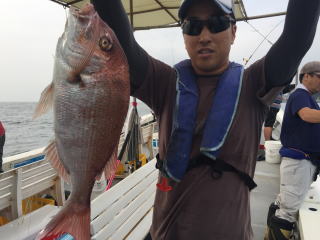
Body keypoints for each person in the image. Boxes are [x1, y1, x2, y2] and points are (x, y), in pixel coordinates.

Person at [91, 0, 320, 239]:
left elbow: (296, 38)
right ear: (184, 36)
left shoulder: (254, 84)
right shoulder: (164, 83)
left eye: (217, 23)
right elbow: (123, 43)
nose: (204, 36)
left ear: (233, 32)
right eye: (193, 26)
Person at [265, 61, 320, 240]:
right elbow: (307, 115)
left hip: (299, 163)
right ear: (307, 76)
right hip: (298, 163)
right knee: (287, 214)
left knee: (282, 204)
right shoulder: (301, 95)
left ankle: (268, 234)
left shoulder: (305, 96)